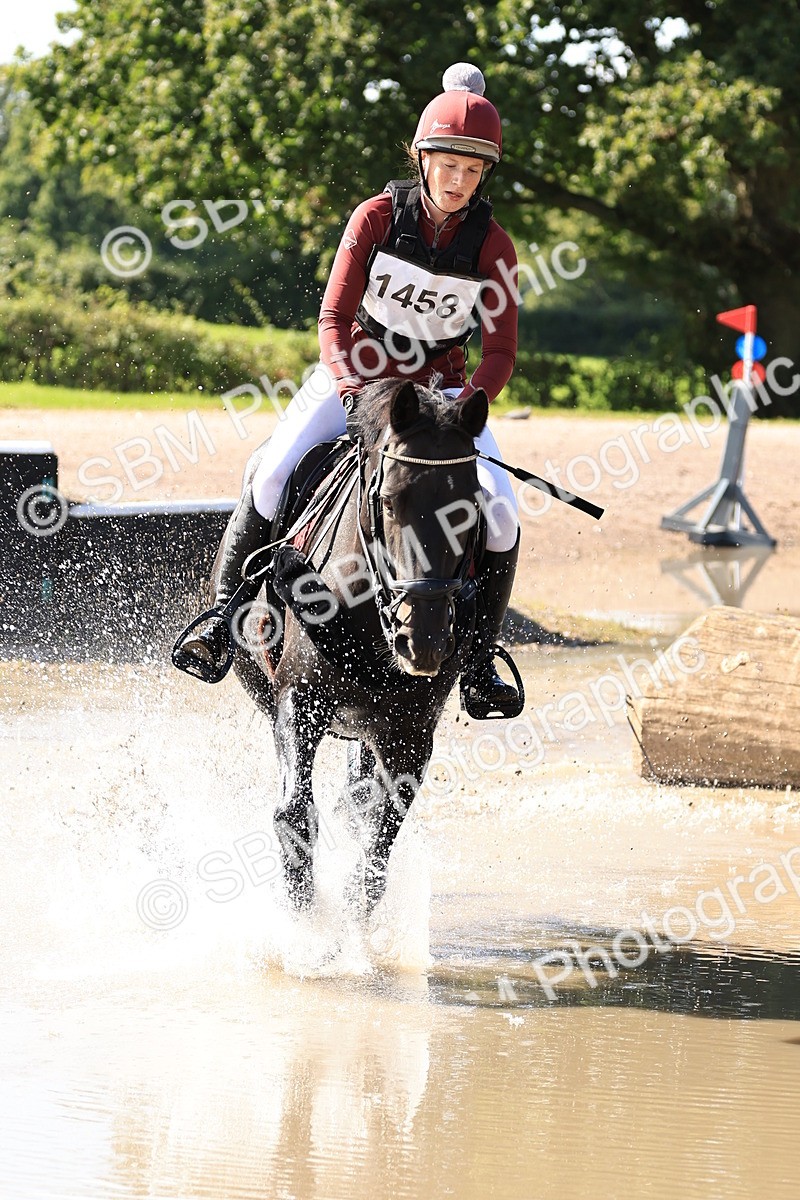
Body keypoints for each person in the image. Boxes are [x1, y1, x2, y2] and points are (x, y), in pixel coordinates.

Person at [174, 62, 522, 715]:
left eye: (474, 171)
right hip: (357, 381)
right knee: (273, 474)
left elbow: (500, 351)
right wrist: (347, 385)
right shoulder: (375, 218)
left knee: (501, 516)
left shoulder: (493, 247)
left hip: (441, 402)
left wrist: (464, 408)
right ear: (423, 159)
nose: (460, 182)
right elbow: (333, 320)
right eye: (449, 166)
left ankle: (477, 666)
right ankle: (222, 624)